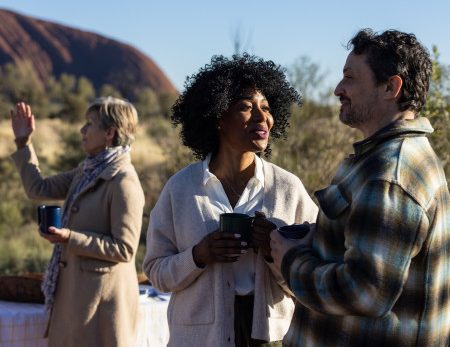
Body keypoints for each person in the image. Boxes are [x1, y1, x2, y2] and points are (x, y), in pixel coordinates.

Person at [271, 29, 450, 346]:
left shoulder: (389, 176)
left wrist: (291, 259)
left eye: (349, 78)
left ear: (390, 87)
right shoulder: (387, 160)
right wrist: (324, 241)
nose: (338, 89)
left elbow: (365, 292)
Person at [143, 53, 318, 347]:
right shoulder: (181, 189)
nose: (262, 118)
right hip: (199, 338)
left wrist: (275, 250)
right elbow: (157, 273)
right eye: (246, 108)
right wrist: (197, 256)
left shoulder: (288, 188)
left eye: (266, 108)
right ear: (218, 117)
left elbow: (314, 275)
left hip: (272, 337)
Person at [10, 97, 145, 347]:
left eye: (89, 124)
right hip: (76, 303)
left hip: (100, 311)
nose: (82, 130)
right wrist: (23, 141)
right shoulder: (86, 171)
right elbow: (38, 188)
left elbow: (125, 249)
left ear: (109, 133)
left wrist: (69, 237)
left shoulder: (124, 182)